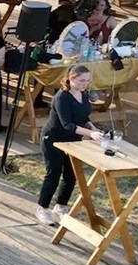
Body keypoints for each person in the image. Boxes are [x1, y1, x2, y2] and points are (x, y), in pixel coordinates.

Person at [37, 63, 102, 225]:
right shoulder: (62, 97)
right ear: (70, 79)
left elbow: (83, 117)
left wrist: (92, 128)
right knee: (53, 174)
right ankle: (42, 208)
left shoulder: (83, 94)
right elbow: (68, 124)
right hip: (53, 138)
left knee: (71, 174)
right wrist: (90, 134)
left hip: (72, 140)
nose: (85, 84)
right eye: (81, 81)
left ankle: (61, 206)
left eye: (88, 80)